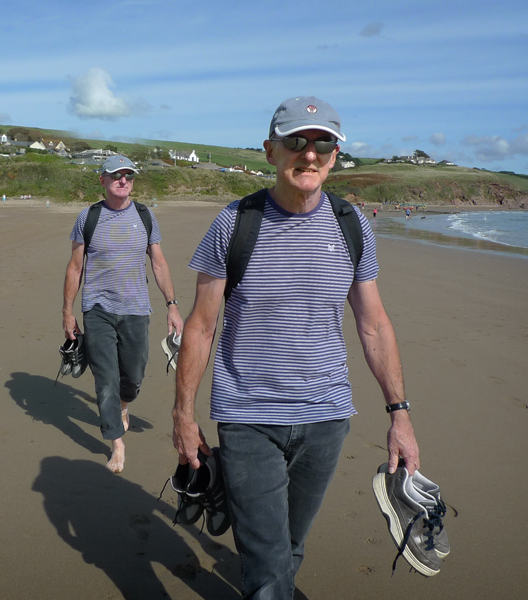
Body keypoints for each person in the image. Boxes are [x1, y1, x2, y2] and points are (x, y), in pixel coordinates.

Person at [172, 96, 420, 598]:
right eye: (296, 143)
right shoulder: (235, 222)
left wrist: (400, 415)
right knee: (266, 565)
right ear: (270, 151)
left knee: (289, 546)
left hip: (327, 419)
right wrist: (184, 414)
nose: (309, 155)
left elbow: (373, 325)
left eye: (323, 144)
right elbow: (200, 326)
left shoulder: (352, 224)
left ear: (334, 156)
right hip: (247, 418)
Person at [64, 155, 184, 473]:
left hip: (135, 310)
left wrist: (172, 305)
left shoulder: (145, 216)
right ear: (102, 180)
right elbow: (75, 268)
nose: (123, 180)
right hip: (97, 310)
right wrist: (67, 312)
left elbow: (158, 263)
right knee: (105, 380)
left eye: (128, 175)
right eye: (116, 175)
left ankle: (123, 407)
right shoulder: (87, 217)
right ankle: (117, 443)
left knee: (133, 376)